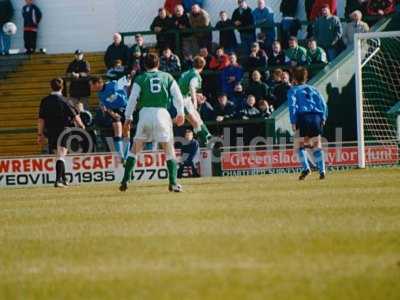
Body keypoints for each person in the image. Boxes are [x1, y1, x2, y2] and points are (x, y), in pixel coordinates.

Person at [120, 53, 185, 192]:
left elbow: (132, 100)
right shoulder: (167, 77)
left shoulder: (140, 78)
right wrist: (181, 113)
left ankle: (125, 179)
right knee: (169, 149)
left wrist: (128, 117)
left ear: (144, 65)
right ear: (158, 64)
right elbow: (178, 96)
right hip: (162, 114)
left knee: (134, 150)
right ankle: (173, 183)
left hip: (145, 115)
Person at [37, 78, 85, 187]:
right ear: (62, 87)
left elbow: (41, 119)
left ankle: (64, 179)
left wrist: (40, 134)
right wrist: (81, 126)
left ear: (51, 86)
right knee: (61, 154)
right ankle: (58, 180)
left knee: (58, 155)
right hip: (64, 130)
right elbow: (75, 115)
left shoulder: (45, 101)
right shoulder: (65, 100)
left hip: (50, 131)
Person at [288, 67, 328, 180]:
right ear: (306, 78)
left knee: (299, 145)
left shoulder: (293, 90)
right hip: (316, 117)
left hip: (303, 117)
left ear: (294, 78)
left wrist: (293, 121)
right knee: (317, 144)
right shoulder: (314, 89)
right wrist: (323, 117)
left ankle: (306, 168)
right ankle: (322, 170)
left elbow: (292, 106)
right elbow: (324, 104)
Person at [90, 76, 131, 163]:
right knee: (117, 128)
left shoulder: (113, 84)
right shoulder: (100, 94)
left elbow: (128, 80)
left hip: (125, 108)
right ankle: (120, 156)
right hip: (114, 111)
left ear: (97, 83)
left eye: (91, 85)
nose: (91, 87)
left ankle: (126, 157)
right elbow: (106, 107)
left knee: (126, 132)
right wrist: (113, 114)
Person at [178, 56, 212, 146]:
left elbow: (183, 87)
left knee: (197, 118)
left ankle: (207, 137)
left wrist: (196, 96)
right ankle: (205, 141)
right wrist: (195, 101)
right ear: (203, 66)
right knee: (195, 121)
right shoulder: (195, 75)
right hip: (182, 100)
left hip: (183, 98)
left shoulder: (187, 72)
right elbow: (192, 87)